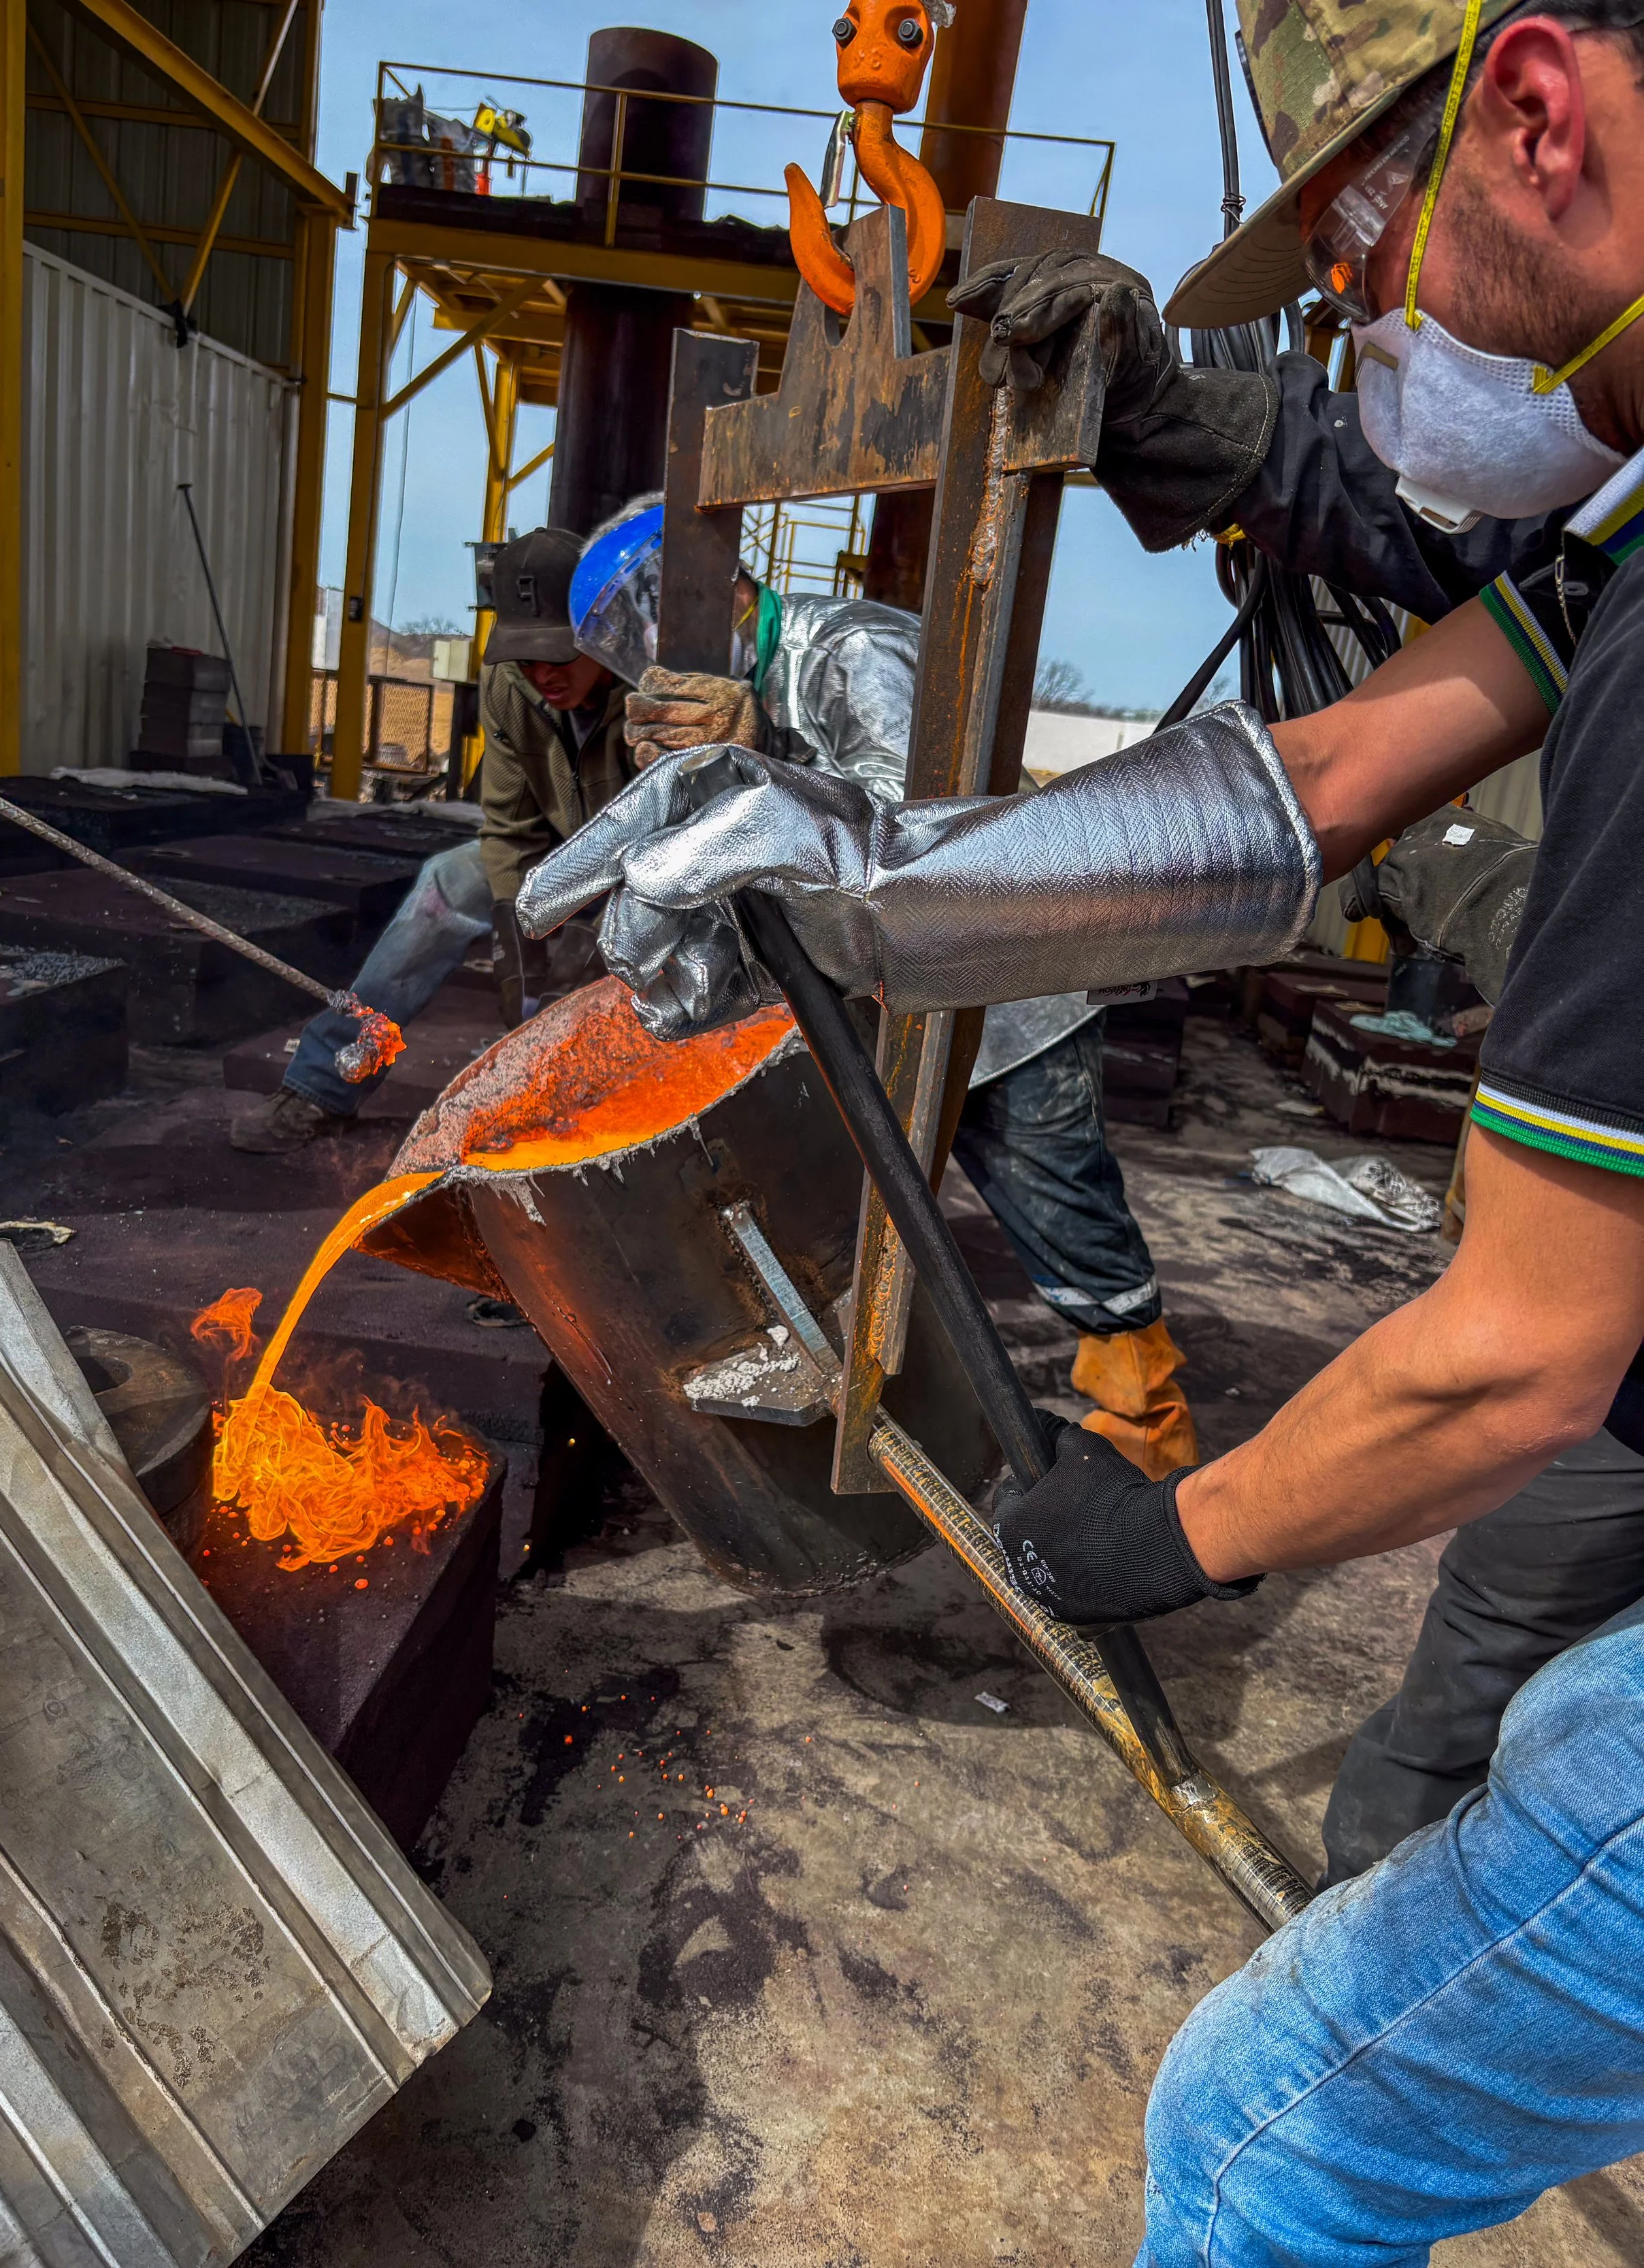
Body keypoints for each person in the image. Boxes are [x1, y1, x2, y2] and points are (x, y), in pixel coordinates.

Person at [521, 3, 1644, 2253]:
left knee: (1261, 2131)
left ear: (1527, 113)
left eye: (1354, 246)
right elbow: (1309, 786)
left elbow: (1534, 1346)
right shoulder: (1615, 551)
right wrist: (853, 888)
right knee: (1498, 1769)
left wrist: (1190, 1531)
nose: (1349, 316)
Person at [571, 495, 1196, 1475]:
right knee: (865, 1212)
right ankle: (898, 1412)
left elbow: (912, 834)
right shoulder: (753, 685)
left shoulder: (847, 653)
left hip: (1006, 989)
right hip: (897, 998)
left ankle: (1151, 1446)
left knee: (1059, 1211)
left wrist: (756, 757)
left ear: (719, 587)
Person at [231, 528, 629, 1153]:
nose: (543, 674)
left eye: (559, 653)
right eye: (528, 655)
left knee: (606, 988)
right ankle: (322, 1087)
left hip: (650, 873)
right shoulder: (510, 685)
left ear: (601, 630)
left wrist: (578, 934)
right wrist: (515, 919)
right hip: (559, 857)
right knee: (448, 881)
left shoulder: (655, 691)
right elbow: (509, 825)